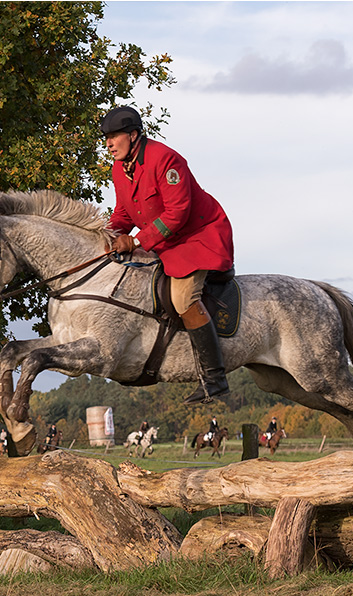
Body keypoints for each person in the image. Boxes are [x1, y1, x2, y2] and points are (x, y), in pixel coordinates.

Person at [101, 105, 234, 404]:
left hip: (199, 237)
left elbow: (177, 213)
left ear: (133, 135)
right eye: (106, 138)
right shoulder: (120, 168)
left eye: (113, 137)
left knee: (182, 298)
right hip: (165, 242)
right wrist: (106, 234)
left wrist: (135, 242)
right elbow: (124, 211)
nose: (108, 144)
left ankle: (215, 379)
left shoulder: (166, 160)